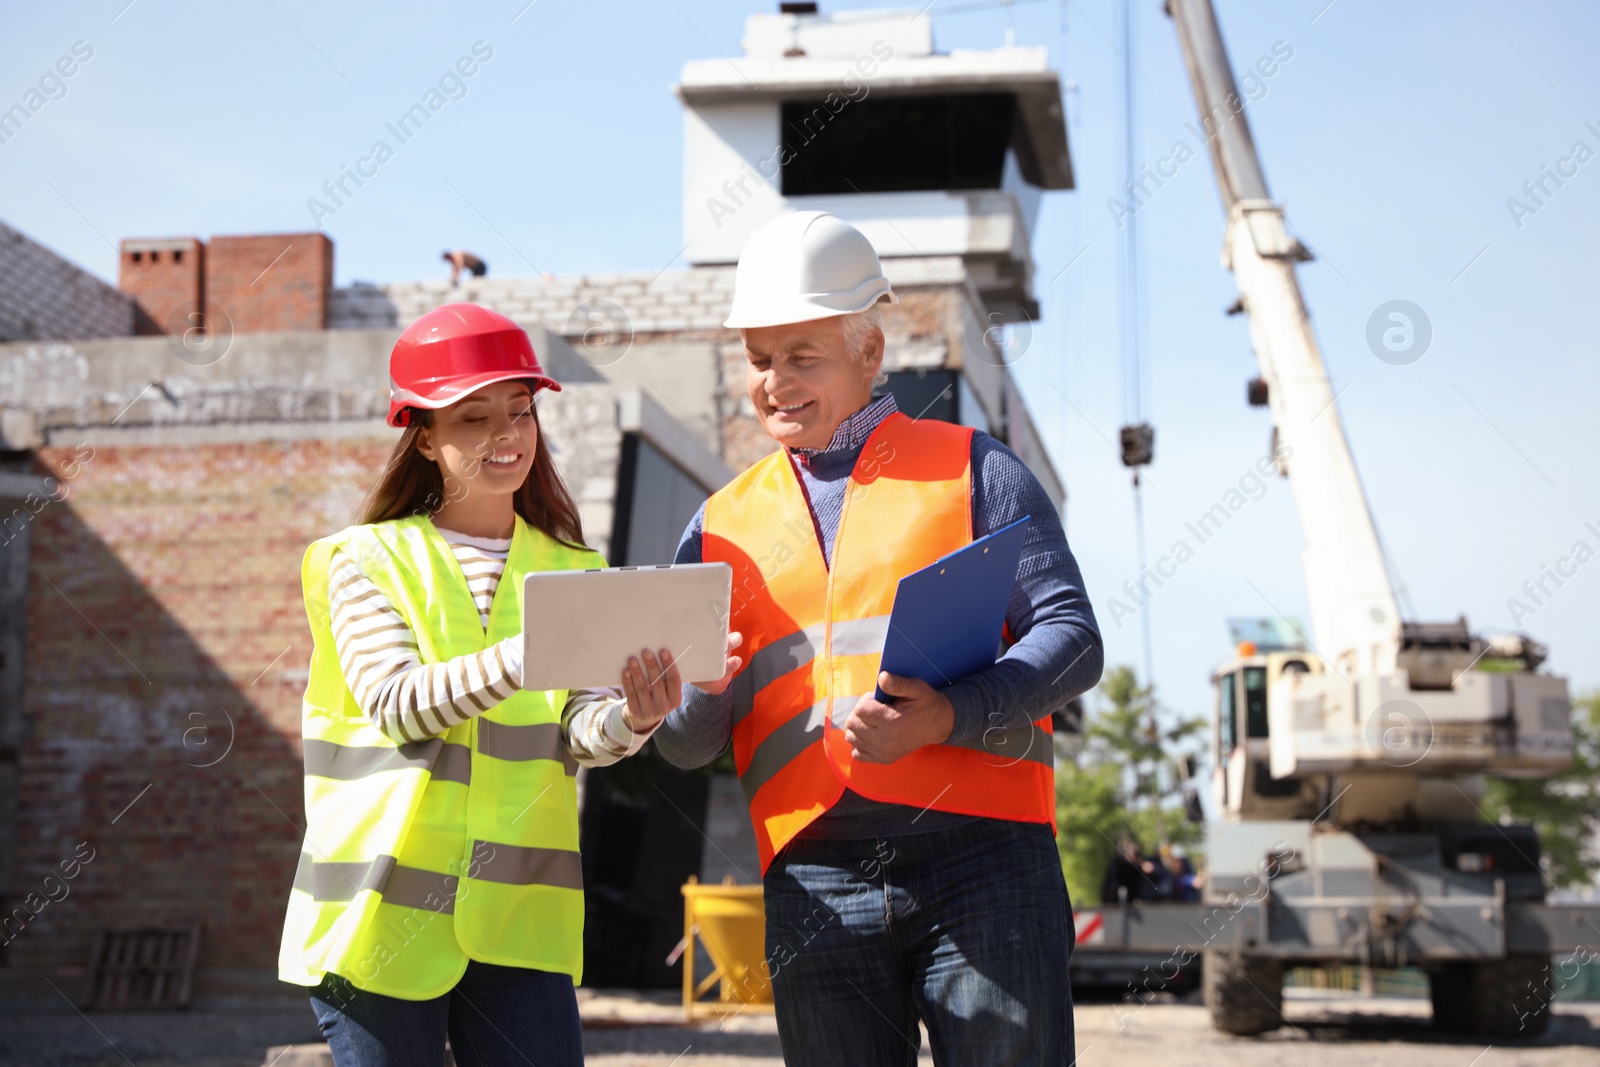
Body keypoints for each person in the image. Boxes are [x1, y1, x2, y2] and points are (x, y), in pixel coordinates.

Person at [653, 212, 1104, 1066]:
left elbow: (1074, 638)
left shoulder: (978, 469)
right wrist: (692, 702)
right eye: (758, 359)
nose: (774, 382)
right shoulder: (719, 528)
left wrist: (949, 715)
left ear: (870, 350)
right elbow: (686, 748)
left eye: (802, 355)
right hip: (813, 873)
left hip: (985, 858)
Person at [277, 303, 690, 1067]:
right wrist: (529, 653)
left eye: (520, 411)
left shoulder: (571, 567)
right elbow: (400, 705)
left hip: (518, 916)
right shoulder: (363, 561)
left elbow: (575, 731)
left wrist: (632, 717)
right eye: (473, 417)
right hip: (379, 916)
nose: (506, 435)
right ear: (425, 436)